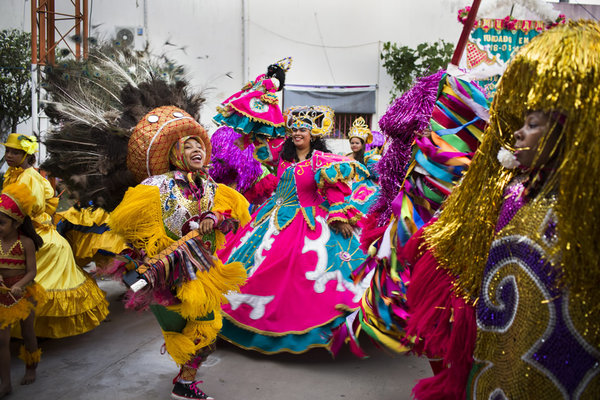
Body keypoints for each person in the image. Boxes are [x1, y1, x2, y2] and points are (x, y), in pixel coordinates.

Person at [404, 20, 600, 399]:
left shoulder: (580, 212)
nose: (517, 133)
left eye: (531, 123)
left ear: (565, 132)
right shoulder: (516, 191)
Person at [217, 105, 372, 354]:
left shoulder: (321, 161)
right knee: (252, 264)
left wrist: (340, 217)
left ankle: (308, 323)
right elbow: (249, 138)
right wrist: (265, 91)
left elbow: (334, 191)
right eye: (295, 129)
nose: (298, 133)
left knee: (301, 270)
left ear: (314, 135)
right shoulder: (280, 156)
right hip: (270, 218)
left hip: (308, 220)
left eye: (303, 129)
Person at [2, 134, 109, 339]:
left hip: (33, 230)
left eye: (15, 152)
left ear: (27, 155)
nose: (9, 155)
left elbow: (27, 209)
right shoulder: (13, 173)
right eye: (7, 151)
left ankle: (32, 331)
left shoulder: (29, 177)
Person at [0, 183, 45, 398]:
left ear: (16, 223)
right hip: (2, 295)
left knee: (28, 332)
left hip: (23, 294)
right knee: (2, 340)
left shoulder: (25, 242)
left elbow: (32, 272)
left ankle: (31, 368)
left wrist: (19, 285)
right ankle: (6, 383)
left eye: (1, 223)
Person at [213, 57, 292, 138]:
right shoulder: (263, 77)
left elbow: (272, 90)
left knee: (254, 115)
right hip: (251, 94)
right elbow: (256, 83)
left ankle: (249, 131)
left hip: (260, 99)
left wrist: (269, 96)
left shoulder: (275, 81)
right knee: (240, 107)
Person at [345, 117, 381, 215]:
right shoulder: (345, 157)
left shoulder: (369, 158)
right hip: (347, 185)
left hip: (363, 187)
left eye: (357, 143)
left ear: (362, 144)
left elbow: (378, 174)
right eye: (352, 143)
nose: (354, 145)